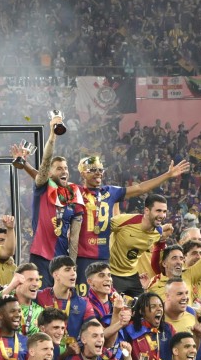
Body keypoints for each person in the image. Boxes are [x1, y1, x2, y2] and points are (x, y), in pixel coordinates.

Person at [69, 153, 189, 292]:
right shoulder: (75, 191)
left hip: (103, 257)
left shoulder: (110, 192)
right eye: (93, 170)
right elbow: (49, 187)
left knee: (104, 300)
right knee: (81, 298)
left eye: (100, 170)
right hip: (82, 256)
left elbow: (140, 188)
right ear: (83, 174)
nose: (98, 173)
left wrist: (167, 175)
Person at [17, 113, 82, 286]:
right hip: (40, 257)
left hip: (62, 260)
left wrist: (72, 264)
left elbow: (74, 237)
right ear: (50, 173)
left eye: (66, 168)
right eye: (59, 168)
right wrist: (53, 134)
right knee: (41, 300)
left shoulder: (74, 194)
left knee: (61, 304)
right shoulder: (43, 188)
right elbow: (45, 161)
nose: (64, 171)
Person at [109, 194, 168, 297]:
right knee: (111, 308)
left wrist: (163, 239)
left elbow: (159, 246)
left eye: (164, 211)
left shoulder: (158, 232)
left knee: (143, 307)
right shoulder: (125, 221)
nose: (162, 215)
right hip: (113, 273)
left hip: (132, 275)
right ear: (146, 210)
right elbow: (100, 231)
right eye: (158, 211)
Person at [35, 256, 89, 340]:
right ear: (56, 275)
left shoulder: (83, 303)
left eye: (74, 270)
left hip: (72, 350)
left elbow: (93, 329)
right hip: (46, 349)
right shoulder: (39, 296)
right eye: (67, 270)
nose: (73, 273)